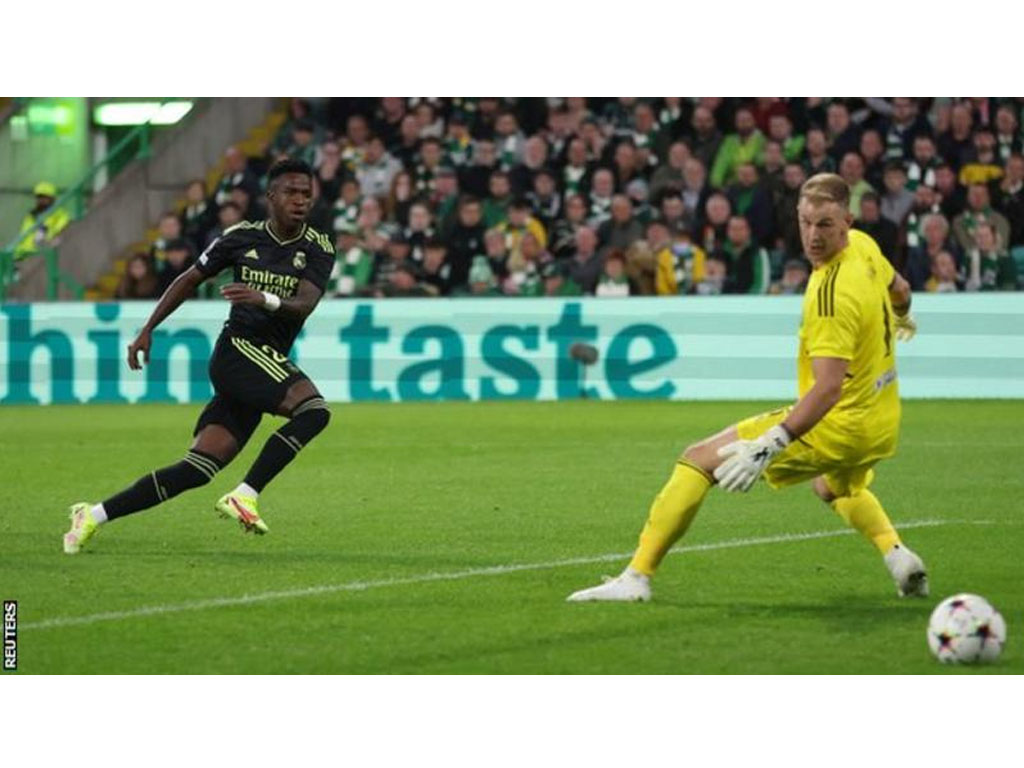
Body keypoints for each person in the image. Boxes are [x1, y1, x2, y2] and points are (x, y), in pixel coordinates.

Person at [567, 173, 927, 603]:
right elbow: (900, 289)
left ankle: (636, 577)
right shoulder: (865, 246)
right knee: (830, 486)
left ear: (847, 221)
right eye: (806, 222)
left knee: (698, 460)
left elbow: (828, 388)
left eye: (825, 224)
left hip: (840, 423)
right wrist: (901, 316)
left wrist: (772, 442)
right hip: (882, 419)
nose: (813, 236)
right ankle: (898, 556)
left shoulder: (830, 294)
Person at [63, 159, 336, 553]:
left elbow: (304, 304)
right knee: (314, 411)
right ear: (271, 196)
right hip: (238, 350)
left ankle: (92, 515)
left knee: (197, 469)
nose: (300, 200)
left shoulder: (318, 246)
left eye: (306, 194)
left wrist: (263, 298)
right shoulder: (241, 237)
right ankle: (245, 494)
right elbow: (189, 278)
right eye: (291, 192)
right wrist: (148, 328)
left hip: (264, 361)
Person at [14, 181, 70, 256]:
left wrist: (48, 240)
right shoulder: (31, 215)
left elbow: (59, 231)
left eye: (45, 197)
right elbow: (23, 235)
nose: (41, 200)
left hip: (40, 254)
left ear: (52, 198)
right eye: (39, 197)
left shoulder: (60, 215)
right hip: (23, 253)